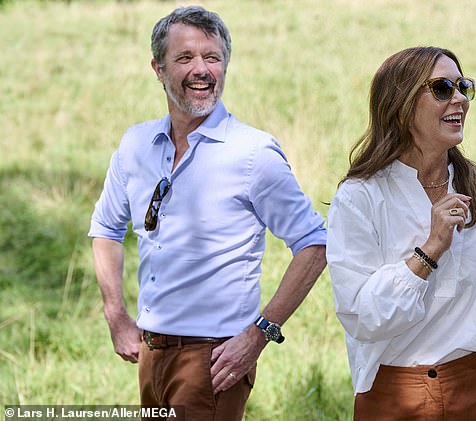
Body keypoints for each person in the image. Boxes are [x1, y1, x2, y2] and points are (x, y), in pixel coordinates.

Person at [89, 6, 326, 420]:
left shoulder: (252, 153)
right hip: (151, 352)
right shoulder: (136, 145)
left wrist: (260, 335)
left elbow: (314, 244)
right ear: (158, 69)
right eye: (185, 58)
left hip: (213, 360)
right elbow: (107, 228)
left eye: (212, 58)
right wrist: (117, 316)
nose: (201, 69)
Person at [326, 46, 476, 420]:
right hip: (398, 394)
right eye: (443, 88)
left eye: (464, 86)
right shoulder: (360, 198)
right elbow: (362, 317)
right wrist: (429, 250)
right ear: (401, 104)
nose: (460, 99)